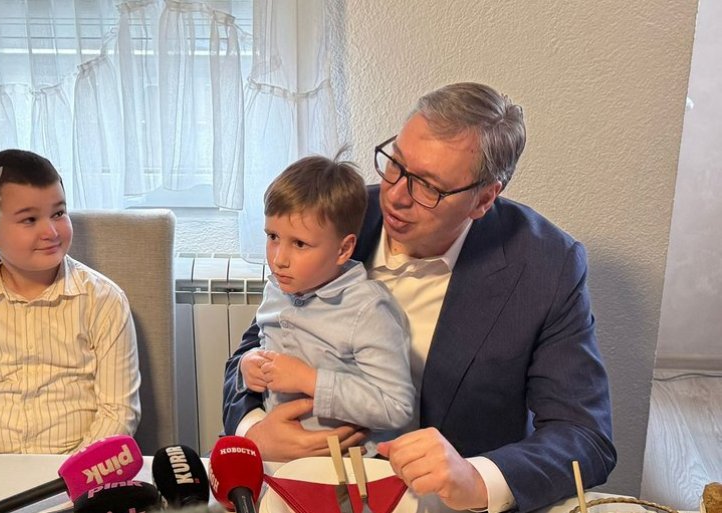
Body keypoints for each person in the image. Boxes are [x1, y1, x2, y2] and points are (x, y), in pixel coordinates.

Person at [222, 82, 616, 513]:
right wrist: (253, 430)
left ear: (484, 199)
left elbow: (584, 435)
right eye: (395, 163)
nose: (395, 195)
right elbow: (259, 341)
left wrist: (476, 478)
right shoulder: (336, 217)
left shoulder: (545, 264)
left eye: (428, 187)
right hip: (299, 489)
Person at [0, 149, 141, 454]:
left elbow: (118, 413)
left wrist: (72, 473)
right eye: (29, 219)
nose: (50, 231)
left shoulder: (104, 300)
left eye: (58, 213)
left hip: (80, 468)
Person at [233, 154, 414, 454]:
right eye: (273, 236)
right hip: (277, 457)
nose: (279, 259)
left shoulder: (368, 309)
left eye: (299, 244)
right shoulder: (277, 288)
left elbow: (396, 407)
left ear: (344, 249)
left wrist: (310, 381)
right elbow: (264, 344)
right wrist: (250, 363)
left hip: (347, 467)